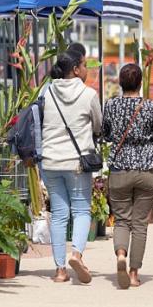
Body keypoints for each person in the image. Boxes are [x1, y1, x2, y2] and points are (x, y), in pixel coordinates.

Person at [41, 50, 102, 283]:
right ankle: (76, 254)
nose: (87, 70)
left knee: (58, 215)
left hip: (50, 161)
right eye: (85, 65)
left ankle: (60, 270)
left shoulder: (47, 92)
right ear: (76, 69)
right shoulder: (89, 95)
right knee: (81, 211)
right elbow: (98, 126)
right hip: (77, 163)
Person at [103, 64, 153, 289]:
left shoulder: (111, 105)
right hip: (146, 169)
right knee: (140, 224)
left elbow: (106, 133)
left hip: (120, 168)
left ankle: (120, 255)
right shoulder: (149, 106)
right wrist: (149, 149)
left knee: (121, 219)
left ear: (120, 82)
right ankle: (135, 273)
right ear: (140, 83)